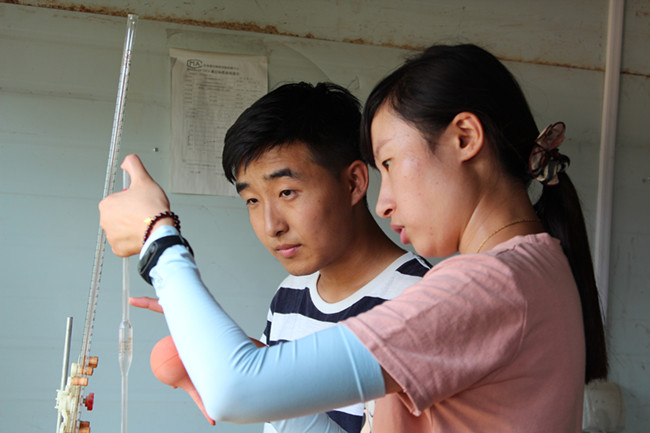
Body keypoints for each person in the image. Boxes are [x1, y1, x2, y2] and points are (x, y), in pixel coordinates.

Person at [99, 43, 608, 432]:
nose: (384, 203)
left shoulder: (486, 286)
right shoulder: (535, 268)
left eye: (389, 163)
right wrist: (269, 381)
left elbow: (236, 388)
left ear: (464, 138)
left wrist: (159, 239)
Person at [131, 82, 430, 433]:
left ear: (353, 182)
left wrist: (248, 380)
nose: (271, 226)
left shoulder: (420, 301)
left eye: (287, 192)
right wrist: (240, 356)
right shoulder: (290, 294)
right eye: (252, 201)